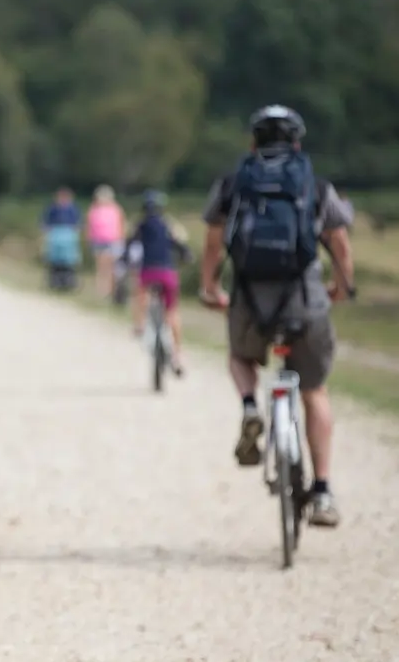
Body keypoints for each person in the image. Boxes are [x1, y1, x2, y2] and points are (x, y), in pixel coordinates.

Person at [198, 105, 355, 527]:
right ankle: (322, 492)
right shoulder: (315, 186)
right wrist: (342, 287)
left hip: (250, 296)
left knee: (240, 355)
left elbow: (214, 244)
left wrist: (211, 287)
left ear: (253, 143)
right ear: (297, 143)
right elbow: (339, 244)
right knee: (314, 390)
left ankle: (250, 406)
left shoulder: (233, 185)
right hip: (304, 298)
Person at [124, 190, 191, 374]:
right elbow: (181, 246)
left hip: (148, 272)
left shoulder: (140, 225)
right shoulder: (169, 224)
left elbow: (128, 246)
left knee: (140, 294)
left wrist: (123, 261)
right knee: (172, 312)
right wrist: (186, 256)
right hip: (167, 273)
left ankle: (139, 325)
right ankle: (177, 355)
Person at [86, 184, 127, 297]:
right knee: (102, 268)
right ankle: (103, 291)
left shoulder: (114, 209)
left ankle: (111, 290)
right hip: (101, 241)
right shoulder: (95, 209)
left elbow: (121, 224)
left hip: (113, 240)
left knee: (111, 268)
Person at [41, 187, 82, 290]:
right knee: (55, 261)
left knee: (68, 262)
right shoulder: (53, 208)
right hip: (56, 236)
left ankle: (68, 283)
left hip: (68, 237)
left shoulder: (73, 209)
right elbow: (45, 222)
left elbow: (78, 224)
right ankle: (55, 282)